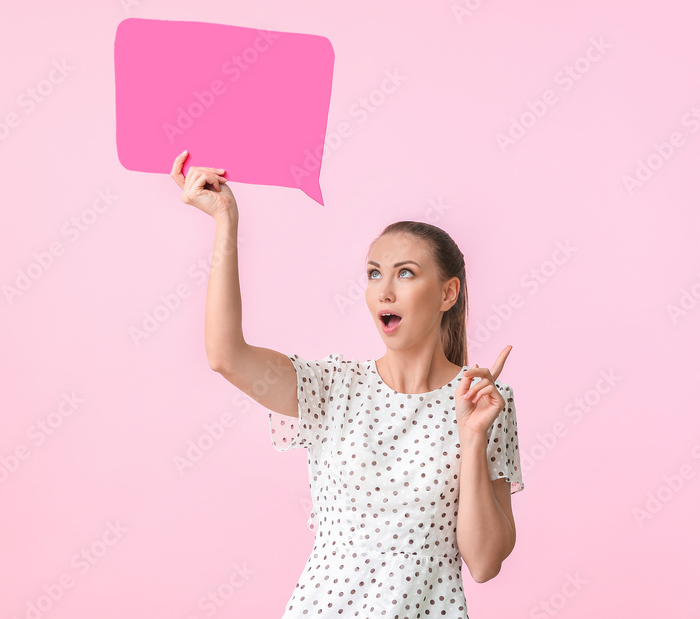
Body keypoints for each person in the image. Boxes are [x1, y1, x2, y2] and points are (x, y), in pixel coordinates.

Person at [171, 150, 524, 618]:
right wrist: (225, 222)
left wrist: (473, 436)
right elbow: (226, 356)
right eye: (374, 273)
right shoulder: (334, 387)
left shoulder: (481, 402)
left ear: (447, 293)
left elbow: (483, 563)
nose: (384, 290)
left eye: (405, 273)